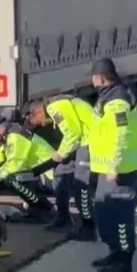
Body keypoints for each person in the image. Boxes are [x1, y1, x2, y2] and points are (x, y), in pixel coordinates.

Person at [88, 58, 137, 272]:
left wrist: (114, 166)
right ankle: (114, 253)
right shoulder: (108, 95)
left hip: (120, 169)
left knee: (120, 215)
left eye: (93, 77)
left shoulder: (118, 100)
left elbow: (121, 135)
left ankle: (124, 263)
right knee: (104, 211)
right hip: (106, 167)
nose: (92, 81)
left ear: (101, 77)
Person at [26, 93, 100, 237]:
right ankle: (63, 218)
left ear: (40, 111)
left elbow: (73, 134)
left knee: (81, 185)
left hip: (92, 141)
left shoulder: (55, 107)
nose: (42, 124)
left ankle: (88, 228)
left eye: (38, 121)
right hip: (82, 141)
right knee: (60, 173)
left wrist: (60, 154)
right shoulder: (56, 105)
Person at [0, 113, 57, 219]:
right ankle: (37, 206)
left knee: (12, 179)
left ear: (0, 129)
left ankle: (43, 208)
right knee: (11, 177)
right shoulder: (10, 135)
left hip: (51, 176)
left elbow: (15, 163)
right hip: (42, 174)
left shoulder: (17, 136)